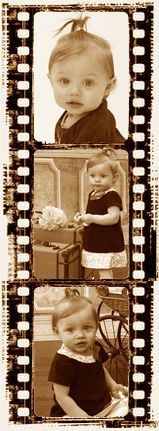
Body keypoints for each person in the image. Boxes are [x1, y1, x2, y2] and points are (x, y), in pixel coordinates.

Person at [48, 289, 128, 418]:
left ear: (96, 327)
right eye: (70, 330)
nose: (80, 335)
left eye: (86, 328)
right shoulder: (63, 361)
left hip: (103, 405)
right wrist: (83, 418)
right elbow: (62, 396)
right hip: (74, 412)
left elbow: (99, 368)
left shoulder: (94, 347)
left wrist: (113, 385)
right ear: (57, 332)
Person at [48, 16, 125, 145]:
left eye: (88, 82)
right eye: (65, 81)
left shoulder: (96, 126)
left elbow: (81, 164)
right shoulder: (70, 113)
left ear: (107, 87)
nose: (74, 91)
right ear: (51, 82)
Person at [74, 149, 127, 279]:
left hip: (106, 241)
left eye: (103, 176)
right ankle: (102, 286)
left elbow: (113, 218)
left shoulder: (111, 195)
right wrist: (83, 218)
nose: (97, 180)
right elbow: (94, 213)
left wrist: (91, 218)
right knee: (99, 268)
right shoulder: (93, 194)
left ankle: (110, 289)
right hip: (95, 239)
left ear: (114, 178)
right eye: (92, 176)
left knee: (104, 269)